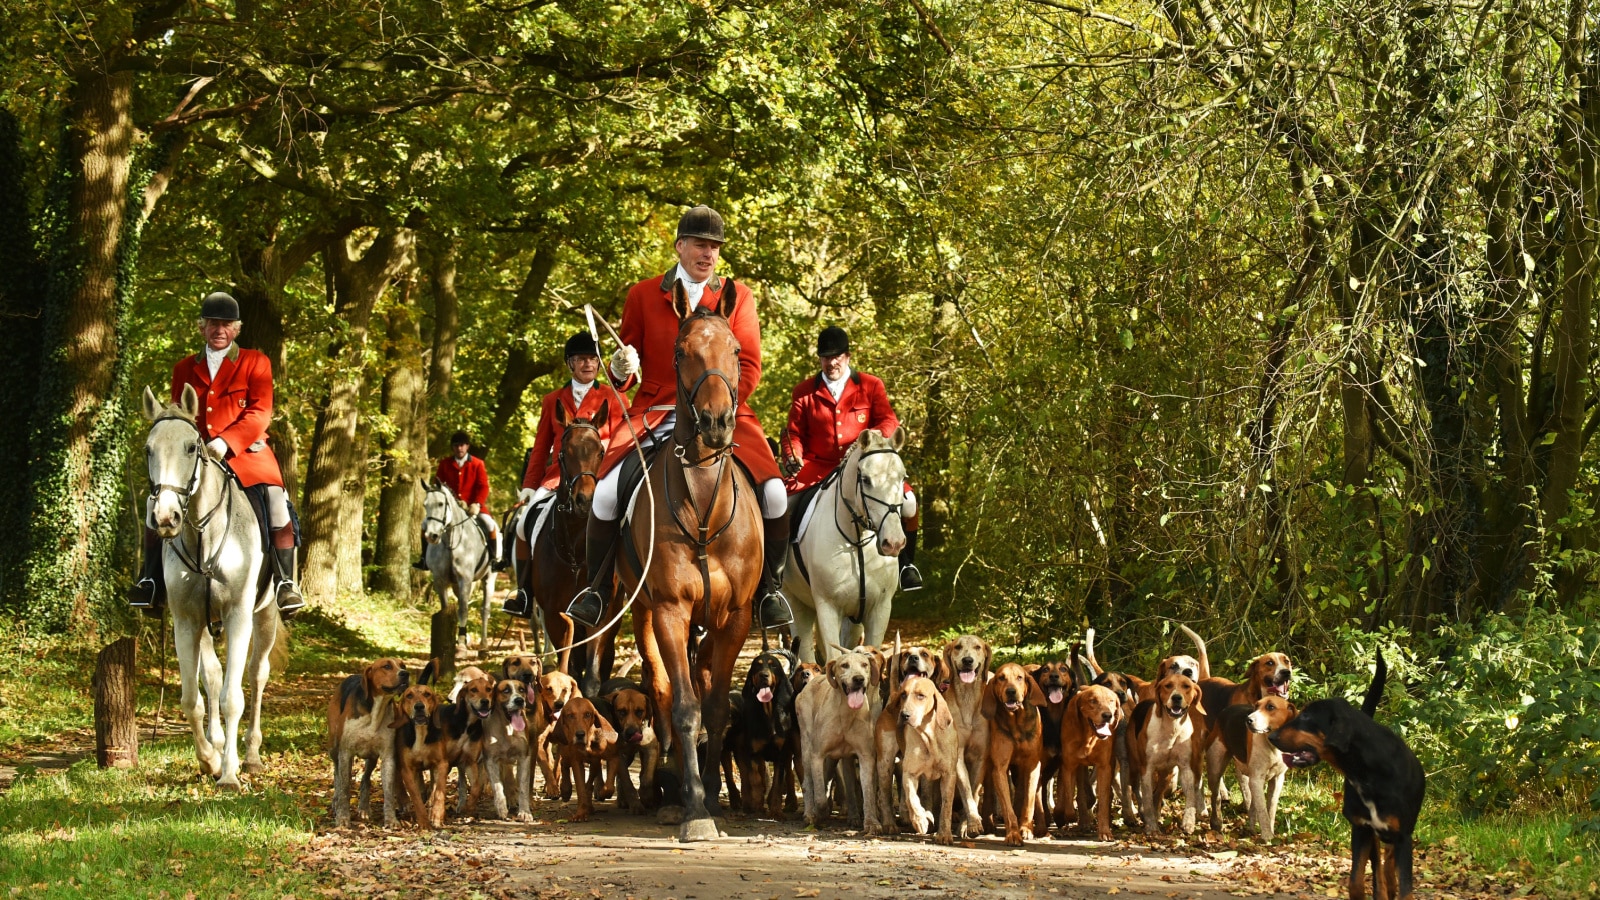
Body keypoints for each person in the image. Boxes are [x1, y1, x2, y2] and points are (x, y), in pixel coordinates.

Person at [566, 205, 794, 630]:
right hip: (655, 412)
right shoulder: (642, 295)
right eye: (700, 245)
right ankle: (597, 590)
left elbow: (751, 367)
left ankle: (770, 592)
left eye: (715, 247)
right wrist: (619, 367)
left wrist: (718, 408)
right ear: (680, 247)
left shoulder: (737, 297)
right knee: (605, 495)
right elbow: (624, 376)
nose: (708, 254)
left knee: (777, 494)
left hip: (722, 415)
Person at [129, 292, 305, 618]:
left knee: (276, 499)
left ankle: (285, 583)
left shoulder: (256, 362)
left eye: (225, 324)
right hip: (197, 456)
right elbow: (180, 417)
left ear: (236, 329)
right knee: (159, 499)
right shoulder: (184, 367)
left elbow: (261, 411)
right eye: (213, 323)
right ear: (202, 327)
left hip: (246, 453)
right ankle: (150, 579)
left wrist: (227, 441)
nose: (219, 329)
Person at [782, 326, 923, 591]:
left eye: (836, 356)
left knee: (910, 503)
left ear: (847, 356)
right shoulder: (804, 392)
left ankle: (906, 565)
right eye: (825, 356)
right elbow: (794, 432)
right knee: (783, 507)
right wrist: (793, 455)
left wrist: (874, 439)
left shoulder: (870, 386)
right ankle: (775, 580)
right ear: (820, 358)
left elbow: (888, 419)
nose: (831, 362)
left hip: (866, 467)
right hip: (818, 467)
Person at [502, 332, 620, 618]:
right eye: (581, 359)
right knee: (521, 524)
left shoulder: (613, 398)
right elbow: (541, 447)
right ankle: (525, 593)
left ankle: (632, 582)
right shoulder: (552, 400)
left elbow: (621, 441)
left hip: (600, 476)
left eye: (593, 359)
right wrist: (530, 486)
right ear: (570, 364)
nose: (588, 364)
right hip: (558, 478)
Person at [414, 430, 502, 569]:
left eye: (462, 445)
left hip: (473, 506)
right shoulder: (445, 464)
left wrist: (477, 503)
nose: (459, 448)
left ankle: (493, 560)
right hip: (450, 508)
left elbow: (483, 486)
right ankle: (424, 559)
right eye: (456, 445)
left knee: (490, 524)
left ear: (467, 446)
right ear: (452, 447)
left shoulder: (477, 464)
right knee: (425, 525)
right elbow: (438, 486)